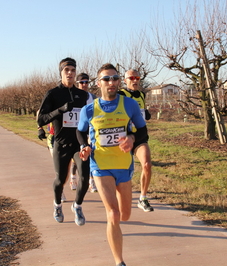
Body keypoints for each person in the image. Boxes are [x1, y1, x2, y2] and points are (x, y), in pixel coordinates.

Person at [77, 63, 148, 266]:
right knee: (114, 214)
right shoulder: (89, 110)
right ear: (98, 83)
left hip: (124, 165)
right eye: (106, 79)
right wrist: (84, 146)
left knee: (125, 215)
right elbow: (80, 132)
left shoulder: (129, 105)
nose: (111, 82)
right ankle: (119, 262)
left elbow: (143, 131)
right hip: (100, 166)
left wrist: (132, 140)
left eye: (115, 78)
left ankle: (115, 229)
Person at [37, 57, 90, 226]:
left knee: (85, 176)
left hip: (78, 143)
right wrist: (60, 110)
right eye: (66, 70)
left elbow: (90, 118)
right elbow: (41, 119)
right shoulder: (53, 94)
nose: (70, 73)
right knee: (60, 179)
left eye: (73, 70)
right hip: (60, 144)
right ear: (61, 72)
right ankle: (57, 205)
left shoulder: (83, 95)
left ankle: (78, 205)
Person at [118, 69, 154, 212]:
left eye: (137, 77)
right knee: (122, 173)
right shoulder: (120, 95)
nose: (135, 80)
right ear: (125, 80)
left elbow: (142, 114)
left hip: (139, 137)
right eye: (131, 77)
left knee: (147, 164)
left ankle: (143, 198)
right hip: (123, 138)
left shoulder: (141, 95)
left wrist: (146, 114)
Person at [71, 72, 98, 193]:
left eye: (87, 82)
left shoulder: (93, 98)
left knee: (90, 154)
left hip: (89, 131)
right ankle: (73, 178)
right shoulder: (72, 96)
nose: (84, 84)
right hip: (75, 130)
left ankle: (91, 181)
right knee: (76, 157)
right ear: (77, 84)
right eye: (82, 82)